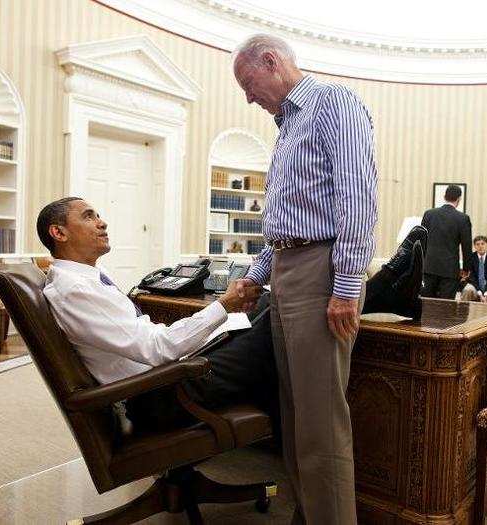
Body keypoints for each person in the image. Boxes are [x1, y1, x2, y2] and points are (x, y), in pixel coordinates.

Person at [232, 34, 383, 525]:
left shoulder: (332, 103)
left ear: (271, 61)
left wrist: (345, 287)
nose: (248, 97)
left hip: (322, 272)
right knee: (294, 414)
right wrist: (255, 277)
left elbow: (357, 198)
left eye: (248, 84)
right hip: (287, 273)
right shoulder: (287, 125)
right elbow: (282, 224)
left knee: (321, 422)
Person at [37, 197, 276, 431]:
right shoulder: (75, 289)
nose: (102, 222)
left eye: (98, 215)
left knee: (263, 302)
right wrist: (224, 305)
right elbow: (157, 348)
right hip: (157, 395)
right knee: (274, 318)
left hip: (160, 379)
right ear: (59, 233)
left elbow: (146, 337)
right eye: (89, 217)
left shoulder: (87, 276)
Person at [421, 185, 472, 299]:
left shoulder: (429, 214)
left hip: (428, 267)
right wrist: (466, 269)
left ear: (444, 196)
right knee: (446, 307)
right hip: (449, 269)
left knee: (425, 304)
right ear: (459, 199)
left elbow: (421, 239)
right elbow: (466, 246)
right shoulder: (463, 218)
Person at [460, 235, 487, 303]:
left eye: (482, 244)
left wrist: (486, 292)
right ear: (474, 246)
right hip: (474, 285)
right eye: (477, 244)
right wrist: (479, 293)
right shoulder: (470, 258)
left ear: (486, 244)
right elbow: (472, 277)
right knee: (467, 290)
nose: (480, 246)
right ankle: (462, 312)